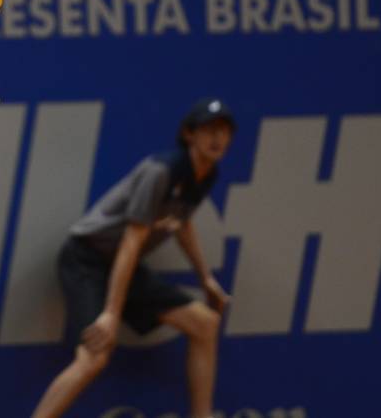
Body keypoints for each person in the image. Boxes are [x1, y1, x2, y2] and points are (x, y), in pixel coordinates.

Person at [33, 98, 235, 418]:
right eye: (209, 130)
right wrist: (111, 314)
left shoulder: (205, 174)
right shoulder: (161, 172)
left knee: (205, 324)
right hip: (86, 258)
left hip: (120, 264)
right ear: (189, 134)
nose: (217, 139)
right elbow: (131, 241)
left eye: (224, 131)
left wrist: (205, 278)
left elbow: (181, 223)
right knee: (94, 357)